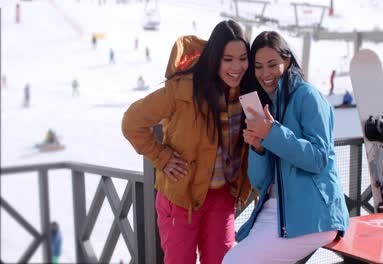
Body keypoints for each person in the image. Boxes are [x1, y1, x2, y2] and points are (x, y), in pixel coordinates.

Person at [122, 20, 252, 264]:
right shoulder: (183, 91)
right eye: (228, 59)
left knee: (222, 260)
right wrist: (162, 158)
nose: (237, 67)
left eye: (243, 58)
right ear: (215, 59)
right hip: (182, 197)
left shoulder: (247, 92)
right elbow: (132, 122)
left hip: (222, 197)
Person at [223, 31, 349, 263]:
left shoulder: (308, 97)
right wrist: (259, 148)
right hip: (274, 212)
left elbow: (318, 159)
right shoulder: (268, 106)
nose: (265, 74)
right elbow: (261, 182)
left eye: (272, 64)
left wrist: (273, 133)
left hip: (311, 215)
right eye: (258, 67)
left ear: (287, 60)